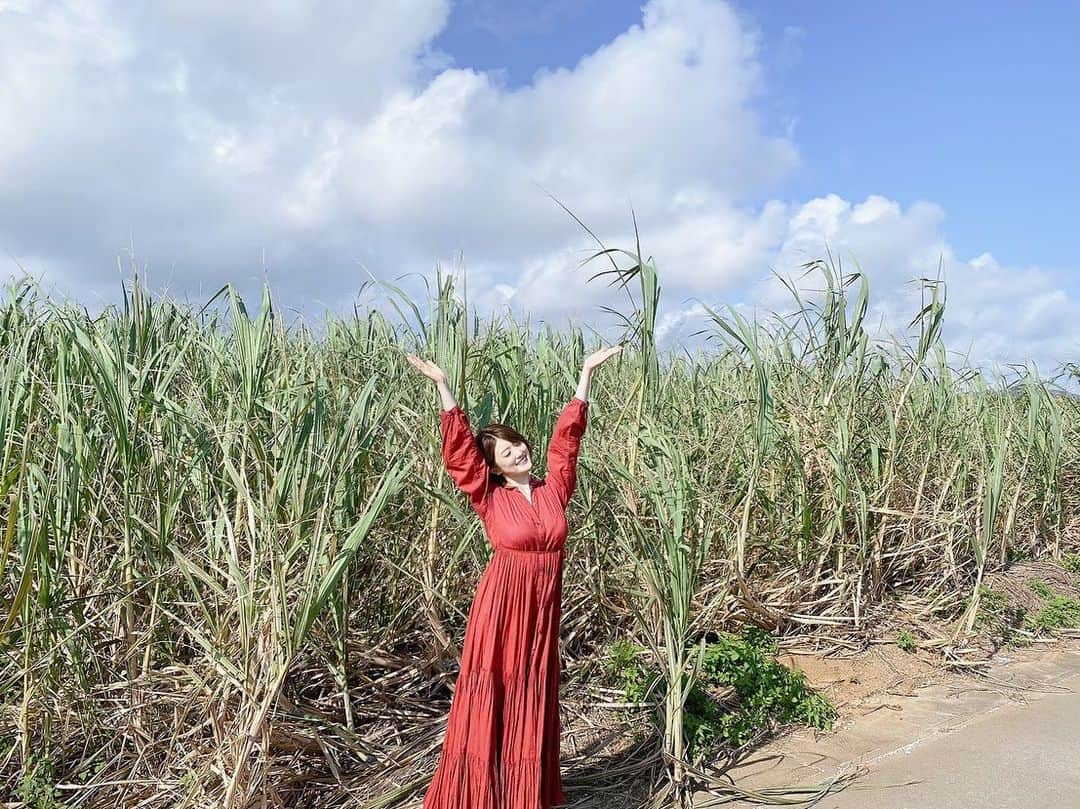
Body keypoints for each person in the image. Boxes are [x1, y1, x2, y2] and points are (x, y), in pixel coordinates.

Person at [407, 346, 622, 809]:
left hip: (541, 613)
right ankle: (478, 797)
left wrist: (585, 375)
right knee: (495, 692)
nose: (519, 451)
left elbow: (566, 443)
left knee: (532, 695)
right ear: (497, 465)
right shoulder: (488, 495)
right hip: (502, 610)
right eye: (507, 451)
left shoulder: (552, 491)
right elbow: (461, 454)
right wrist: (444, 387)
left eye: (518, 444)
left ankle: (524, 797)